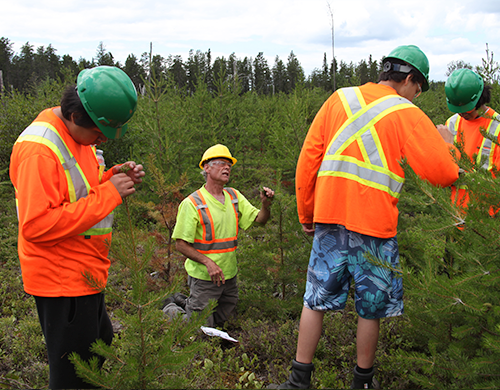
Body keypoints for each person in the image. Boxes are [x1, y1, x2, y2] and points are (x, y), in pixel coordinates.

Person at [273, 45, 460, 389]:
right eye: (418, 90)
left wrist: (307, 212)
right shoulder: (407, 113)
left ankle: (298, 381)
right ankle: (362, 383)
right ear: (408, 80)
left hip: (329, 219)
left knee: (314, 300)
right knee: (370, 309)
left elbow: (308, 160)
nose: (416, 97)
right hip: (375, 227)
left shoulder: (339, 98)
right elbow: (444, 173)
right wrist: (446, 141)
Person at [9, 65, 145, 389]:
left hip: (85, 272)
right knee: (74, 376)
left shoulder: (76, 137)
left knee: (101, 342)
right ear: (75, 115)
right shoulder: (38, 151)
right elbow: (37, 224)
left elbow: (80, 189)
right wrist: (110, 195)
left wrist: (111, 178)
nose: (101, 139)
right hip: (61, 280)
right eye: (99, 132)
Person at [163, 144, 274, 327]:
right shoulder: (192, 203)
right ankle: (170, 310)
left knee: (223, 323)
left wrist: (266, 205)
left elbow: (260, 220)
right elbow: (180, 245)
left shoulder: (233, 196)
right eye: (221, 163)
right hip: (204, 277)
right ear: (206, 168)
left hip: (229, 276)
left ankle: (186, 303)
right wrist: (208, 262)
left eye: (229, 165)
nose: (227, 168)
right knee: (198, 331)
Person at [443, 68, 500, 210]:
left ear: (480, 99)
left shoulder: (497, 126)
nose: (462, 114)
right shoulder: (451, 124)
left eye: (466, 109)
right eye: (458, 109)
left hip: (489, 218)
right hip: (457, 213)